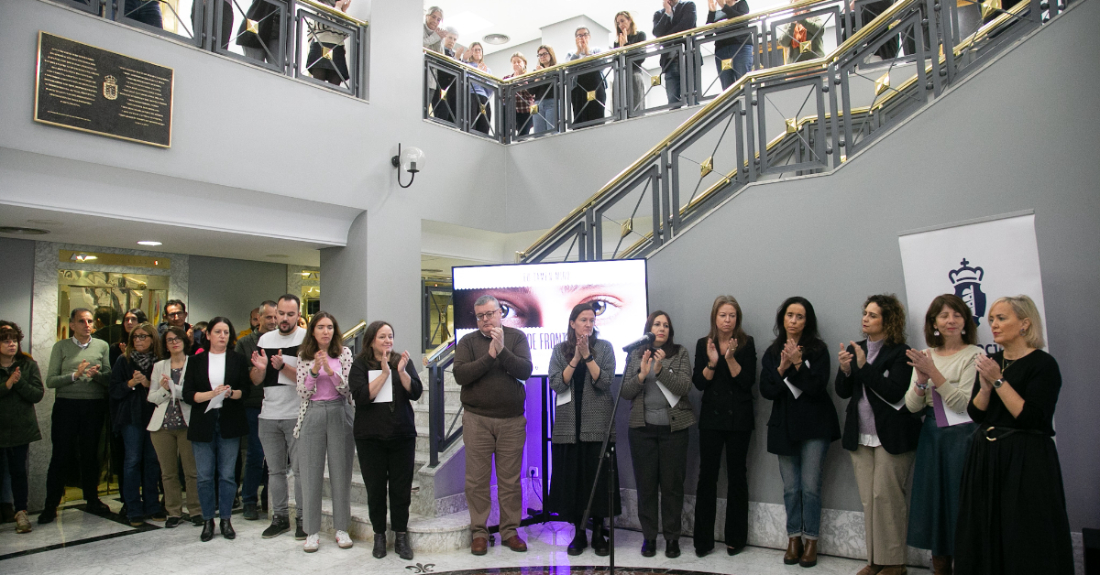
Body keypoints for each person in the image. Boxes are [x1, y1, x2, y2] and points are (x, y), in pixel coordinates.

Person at [954, 296, 1073, 575]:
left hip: (1025, 458)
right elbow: (977, 414)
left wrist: (998, 380)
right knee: (982, 526)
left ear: (1025, 324)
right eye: (992, 318)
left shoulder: (1043, 364)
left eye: (1001, 318)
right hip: (986, 455)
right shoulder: (992, 361)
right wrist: (985, 387)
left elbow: (1032, 417)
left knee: (1023, 531)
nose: (993, 324)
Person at [835, 295, 919, 575]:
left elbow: (894, 392)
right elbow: (844, 391)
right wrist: (846, 370)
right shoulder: (855, 347)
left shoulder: (900, 352)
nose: (865, 319)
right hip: (860, 434)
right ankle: (874, 560)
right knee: (869, 500)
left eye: (872, 315)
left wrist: (864, 367)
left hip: (892, 436)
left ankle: (895, 563)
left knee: (887, 498)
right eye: (865, 313)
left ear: (888, 321)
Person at [758, 296, 839, 568]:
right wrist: (782, 367)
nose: (793, 320)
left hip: (815, 426)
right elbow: (767, 390)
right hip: (784, 427)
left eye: (800, 316)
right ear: (783, 318)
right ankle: (794, 538)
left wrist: (797, 364)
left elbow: (817, 386)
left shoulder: (818, 350)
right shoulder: (772, 351)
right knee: (791, 489)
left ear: (808, 321)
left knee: (810, 488)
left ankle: (811, 540)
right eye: (790, 315)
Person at [903, 294, 981, 575]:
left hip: (963, 438)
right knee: (934, 503)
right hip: (932, 436)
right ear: (933, 322)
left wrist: (932, 373)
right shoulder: (926, 355)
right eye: (944, 316)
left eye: (957, 315)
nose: (951, 321)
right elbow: (912, 406)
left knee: (959, 503)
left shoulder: (974, 354)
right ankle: (939, 567)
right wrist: (921, 383)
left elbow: (962, 402)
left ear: (965, 321)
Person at [453, 295, 534, 555]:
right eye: (480, 316)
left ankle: (510, 531)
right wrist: (489, 356)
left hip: (511, 421)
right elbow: (460, 374)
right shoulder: (468, 341)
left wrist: (502, 350)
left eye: (490, 314)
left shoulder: (516, 338)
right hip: (477, 420)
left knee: (509, 481)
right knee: (476, 480)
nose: (485, 320)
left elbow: (524, 370)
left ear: (501, 313)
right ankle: (480, 531)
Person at [547, 303, 619, 557]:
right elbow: (556, 383)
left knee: (597, 482)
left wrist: (588, 356)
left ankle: (599, 532)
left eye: (592, 320)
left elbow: (605, 382)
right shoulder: (560, 350)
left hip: (597, 427)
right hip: (569, 427)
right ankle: (578, 533)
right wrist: (575, 358)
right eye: (583, 320)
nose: (588, 324)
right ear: (572, 323)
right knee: (574, 482)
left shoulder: (604, 348)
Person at [621, 310, 693, 559]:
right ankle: (649, 538)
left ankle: (672, 538)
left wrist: (661, 370)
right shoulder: (635, 353)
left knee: (672, 487)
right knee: (646, 486)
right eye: (656, 324)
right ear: (649, 329)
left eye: (665, 325)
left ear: (670, 331)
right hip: (642, 431)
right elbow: (626, 392)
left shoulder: (680, 353)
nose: (661, 328)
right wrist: (642, 373)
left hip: (674, 431)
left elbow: (684, 387)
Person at [350, 321, 422, 560]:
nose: (388, 341)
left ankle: (401, 536)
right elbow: (361, 397)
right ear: (371, 340)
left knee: (401, 490)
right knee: (376, 490)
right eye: (382, 337)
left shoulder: (402, 360)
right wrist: (384, 374)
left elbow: (416, 392)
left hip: (402, 435)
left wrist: (400, 372)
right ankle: (379, 535)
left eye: (390, 336)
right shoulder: (359, 364)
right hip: (370, 438)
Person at [692, 296, 757, 557]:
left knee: (737, 478)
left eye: (732, 316)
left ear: (737, 319)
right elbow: (699, 383)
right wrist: (712, 361)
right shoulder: (703, 343)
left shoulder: (747, 343)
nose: (727, 320)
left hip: (739, 419)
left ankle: (735, 538)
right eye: (723, 315)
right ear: (714, 318)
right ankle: (703, 540)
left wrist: (730, 358)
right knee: (707, 477)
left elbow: (747, 382)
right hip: (710, 419)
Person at [40, 308, 112, 524]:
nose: (87, 324)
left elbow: (109, 378)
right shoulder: (61, 347)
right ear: (72, 325)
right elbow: (51, 381)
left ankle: (92, 499)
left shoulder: (102, 346)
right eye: (81, 321)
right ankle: (50, 505)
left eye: (90, 321)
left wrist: (96, 375)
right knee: (61, 455)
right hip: (67, 407)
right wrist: (75, 375)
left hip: (94, 406)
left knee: (91, 455)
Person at [183, 317, 251, 542]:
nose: (223, 335)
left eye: (226, 332)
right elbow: (188, 394)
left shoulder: (238, 360)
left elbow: (245, 391)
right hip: (203, 422)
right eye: (218, 331)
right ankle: (206, 520)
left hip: (229, 420)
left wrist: (230, 393)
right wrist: (211, 394)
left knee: (227, 475)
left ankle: (226, 519)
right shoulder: (195, 361)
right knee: (203, 476)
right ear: (208, 334)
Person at [295, 312, 356, 553]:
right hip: (313, 413)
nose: (326, 331)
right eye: (321, 327)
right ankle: (311, 532)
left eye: (330, 327)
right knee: (311, 473)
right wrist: (313, 371)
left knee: (341, 472)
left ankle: (342, 528)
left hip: (339, 411)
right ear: (313, 331)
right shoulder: (303, 356)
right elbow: (301, 392)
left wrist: (330, 373)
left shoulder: (344, 353)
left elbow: (348, 389)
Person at [250, 294, 307, 539]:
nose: (283, 319)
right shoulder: (265, 339)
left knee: (301, 470)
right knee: (275, 471)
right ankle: (280, 517)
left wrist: (283, 366)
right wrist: (260, 370)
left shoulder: (305, 339)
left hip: (297, 413)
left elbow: (307, 380)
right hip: (269, 414)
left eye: (289, 314)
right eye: (280, 314)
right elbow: (255, 380)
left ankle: (304, 518)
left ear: (298, 314)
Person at [109, 322, 165, 527]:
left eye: (143, 336)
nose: (139, 340)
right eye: (136, 337)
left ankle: (152, 505)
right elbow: (113, 391)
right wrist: (130, 384)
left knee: (152, 461)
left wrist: (147, 384)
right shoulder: (122, 361)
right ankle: (133, 508)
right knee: (132, 461)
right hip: (130, 418)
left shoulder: (160, 362)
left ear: (152, 339)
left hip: (154, 417)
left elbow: (164, 390)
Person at [148, 326, 201, 528]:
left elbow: (193, 394)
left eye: (177, 339)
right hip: (162, 425)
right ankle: (173, 512)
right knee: (168, 473)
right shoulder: (159, 366)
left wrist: (174, 389)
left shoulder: (194, 363)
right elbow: (151, 397)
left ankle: (195, 510)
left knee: (191, 471)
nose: (174, 343)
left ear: (184, 342)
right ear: (166, 344)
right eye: (169, 340)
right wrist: (164, 390)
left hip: (187, 423)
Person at [0, 321, 44, 534]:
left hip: (21, 428)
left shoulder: (27, 364)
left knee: (19, 471)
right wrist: (7, 384)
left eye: (15, 340)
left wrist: (19, 382)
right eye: (6, 340)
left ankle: (21, 512)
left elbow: (37, 394)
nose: (11, 344)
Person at [235, 300, 276, 521]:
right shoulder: (244, 343)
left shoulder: (282, 340)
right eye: (267, 317)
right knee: (255, 454)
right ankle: (249, 500)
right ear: (258, 318)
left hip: (278, 403)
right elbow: (241, 374)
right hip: (253, 405)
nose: (272, 321)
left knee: (275, 458)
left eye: (275, 317)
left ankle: (269, 498)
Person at [653, 0, 697, 108]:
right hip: (669, 61)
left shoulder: (688, 5)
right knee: (673, 103)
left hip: (688, 58)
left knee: (692, 100)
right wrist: (667, 13)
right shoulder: (659, 14)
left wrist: (665, 38)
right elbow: (657, 32)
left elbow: (686, 26)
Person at [706, 0, 753, 91]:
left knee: (743, 81)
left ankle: (746, 103)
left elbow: (742, 21)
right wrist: (711, 12)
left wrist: (724, 7)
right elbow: (707, 34)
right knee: (727, 87)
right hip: (721, 50)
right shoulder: (718, 13)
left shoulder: (741, 4)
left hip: (740, 47)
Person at [306, 0, 352, 86]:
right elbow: (322, 24)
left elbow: (347, 32)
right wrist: (337, 8)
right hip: (320, 45)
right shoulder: (317, 5)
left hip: (337, 49)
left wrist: (343, 11)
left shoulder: (339, 10)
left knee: (335, 87)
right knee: (319, 85)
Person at [567, 28, 607, 127]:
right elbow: (569, 70)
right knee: (580, 117)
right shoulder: (571, 54)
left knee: (596, 115)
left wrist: (588, 53)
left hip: (596, 85)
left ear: (589, 37)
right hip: (578, 88)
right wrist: (578, 52)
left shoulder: (596, 50)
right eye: (579, 35)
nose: (582, 38)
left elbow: (602, 65)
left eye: (585, 34)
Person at [613, 11, 648, 115]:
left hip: (634, 73)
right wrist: (621, 46)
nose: (620, 25)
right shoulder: (617, 42)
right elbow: (616, 61)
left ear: (629, 20)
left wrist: (626, 45)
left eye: (622, 21)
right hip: (621, 76)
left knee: (636, 105)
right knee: (620, 106)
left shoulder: (640, 35)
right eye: (618, 23)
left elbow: (640, 57)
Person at [464, 42, 494, 135]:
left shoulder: (487, 69)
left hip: (484, 98)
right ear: (471, 52)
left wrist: (483, 77)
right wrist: (478, 72)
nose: (477, 52)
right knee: (471, 125)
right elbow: (465, 81)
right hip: (471, 95)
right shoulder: (467, 65)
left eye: (479, 49)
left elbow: (490, 90)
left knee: (484, 126)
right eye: (475, 49)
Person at [502, 53, 535, 136]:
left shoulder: (529, 77)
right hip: (511, 110)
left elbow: (531, 94)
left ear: (524, 63)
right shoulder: (506, 78)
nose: (516, 64)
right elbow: (502, 95)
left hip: (525, 110)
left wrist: (521, 84)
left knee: (522, 136)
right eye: (514, 62)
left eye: (519, 62)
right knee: (507, 134)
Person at [530, 45, 559, 133]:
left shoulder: (557, 69)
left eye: (545, 54)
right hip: (538, 104)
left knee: (553, 132)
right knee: (538, 134)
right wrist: (538, 76)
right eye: (540, 55)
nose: (542, 57)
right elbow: (530, 91)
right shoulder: (536, 71)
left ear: (551, 54)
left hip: (551, 101)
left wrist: (544, 73)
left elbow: (556, 84)